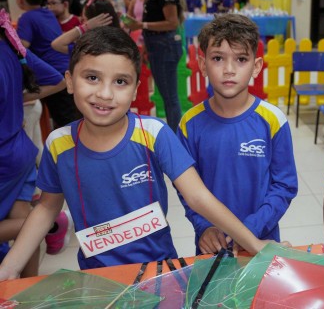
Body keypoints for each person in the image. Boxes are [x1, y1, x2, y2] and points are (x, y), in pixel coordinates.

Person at [0, 26, 274, 277]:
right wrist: (8, 268)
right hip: (98, 277)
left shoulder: (154, 133)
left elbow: (198, 196)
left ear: (135, 90)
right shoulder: (59, 144)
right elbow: (47, 208)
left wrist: (254, 245)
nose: (105, 94)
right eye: (92, 77)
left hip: (159, 273)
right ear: (70, 81)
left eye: (120, 82)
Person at [177, 14, 298, 254]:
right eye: (218, 58)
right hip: (212, 244)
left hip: (261, 239)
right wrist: (204, 227)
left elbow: (284, 186)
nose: (229, 70)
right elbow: (187, 191)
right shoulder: (189, 124)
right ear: (202, 65)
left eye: (241, 59)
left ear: (256, 67)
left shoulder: (273, 120)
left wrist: (249, 229)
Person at [0, 9, 66, 277]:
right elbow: (58, 79)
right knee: (25, 221)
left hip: (5, 158)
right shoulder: (7, 43)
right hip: (19, 150)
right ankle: (27, 291)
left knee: (25, 223)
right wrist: (15, 99)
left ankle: (48, 222)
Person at [123, 0, 186, 132]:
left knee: (170, 97)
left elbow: (172, 22)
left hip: (164, 46)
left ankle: (177, 137)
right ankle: (176, 134)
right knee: (168, 97)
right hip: (158, 46)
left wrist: (142, 25)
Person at [16, 0, 79, 128]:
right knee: (72, 117)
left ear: (20, 0)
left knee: (66, 122)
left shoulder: (26, 18)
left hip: (52, 74)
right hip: (67, 67)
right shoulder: (48, 13)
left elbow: (20, 46)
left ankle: (78, 150)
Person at [52, 0, 118, 54]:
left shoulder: (88, 48)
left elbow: (56, 44)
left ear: (97, 23)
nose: (81, 21)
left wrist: (84, 27)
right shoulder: (120, 39)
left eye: (84, 19)